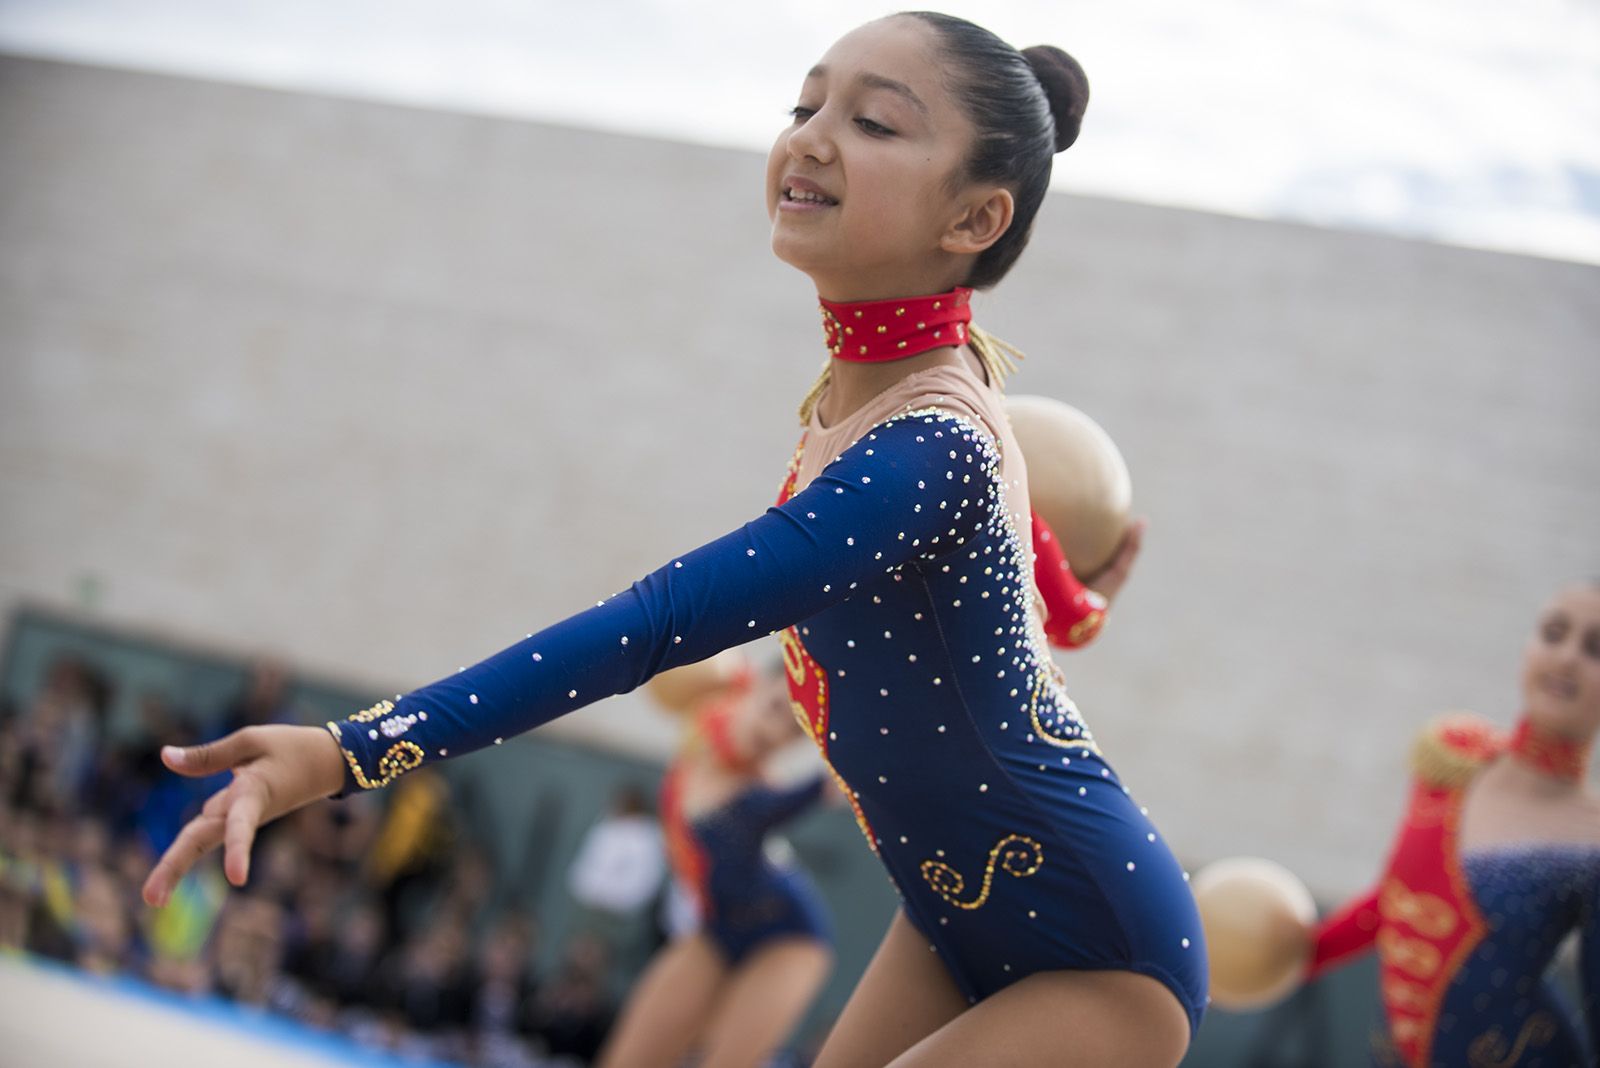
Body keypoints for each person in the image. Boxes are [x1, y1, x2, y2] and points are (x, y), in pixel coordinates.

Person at [142, 12, 1203, 1064]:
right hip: (946, 920)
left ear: (973, 218)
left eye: (874, 122)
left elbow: (659, 621)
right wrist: (1080, 605)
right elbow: (1008, 563)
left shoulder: (930, 443)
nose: (811, 136)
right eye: (805, 104)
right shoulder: (914, 400)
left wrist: (347, 749)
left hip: (1097, 953)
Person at [1305, 580, 1600, 1066]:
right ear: (1529, 647)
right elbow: (1396, 901)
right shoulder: (1454, 759)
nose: (1567, 657)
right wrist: (1302, 955)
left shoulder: (1589, 844)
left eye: (1595, 648)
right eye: (1554, 633)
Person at [597, 661, 832, 1068]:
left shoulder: (759, 788)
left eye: (795, 733)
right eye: (777, 708)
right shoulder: (713, 701)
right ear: (758, 686)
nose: (775, 734)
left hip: (788, 933)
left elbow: (795, 797)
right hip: (717, 926)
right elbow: (658, 671)